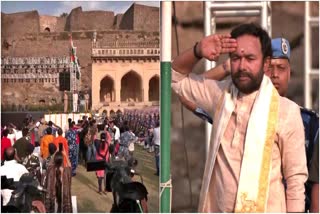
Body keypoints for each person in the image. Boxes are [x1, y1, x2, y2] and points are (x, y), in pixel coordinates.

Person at [171, 23, 307, 212]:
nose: (242, 66)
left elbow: (295, 180)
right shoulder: (220, 96)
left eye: (250, 58)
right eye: (236, 58)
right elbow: (175, 79)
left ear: (265, 63)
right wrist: (197, 50)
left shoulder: (287, 112)